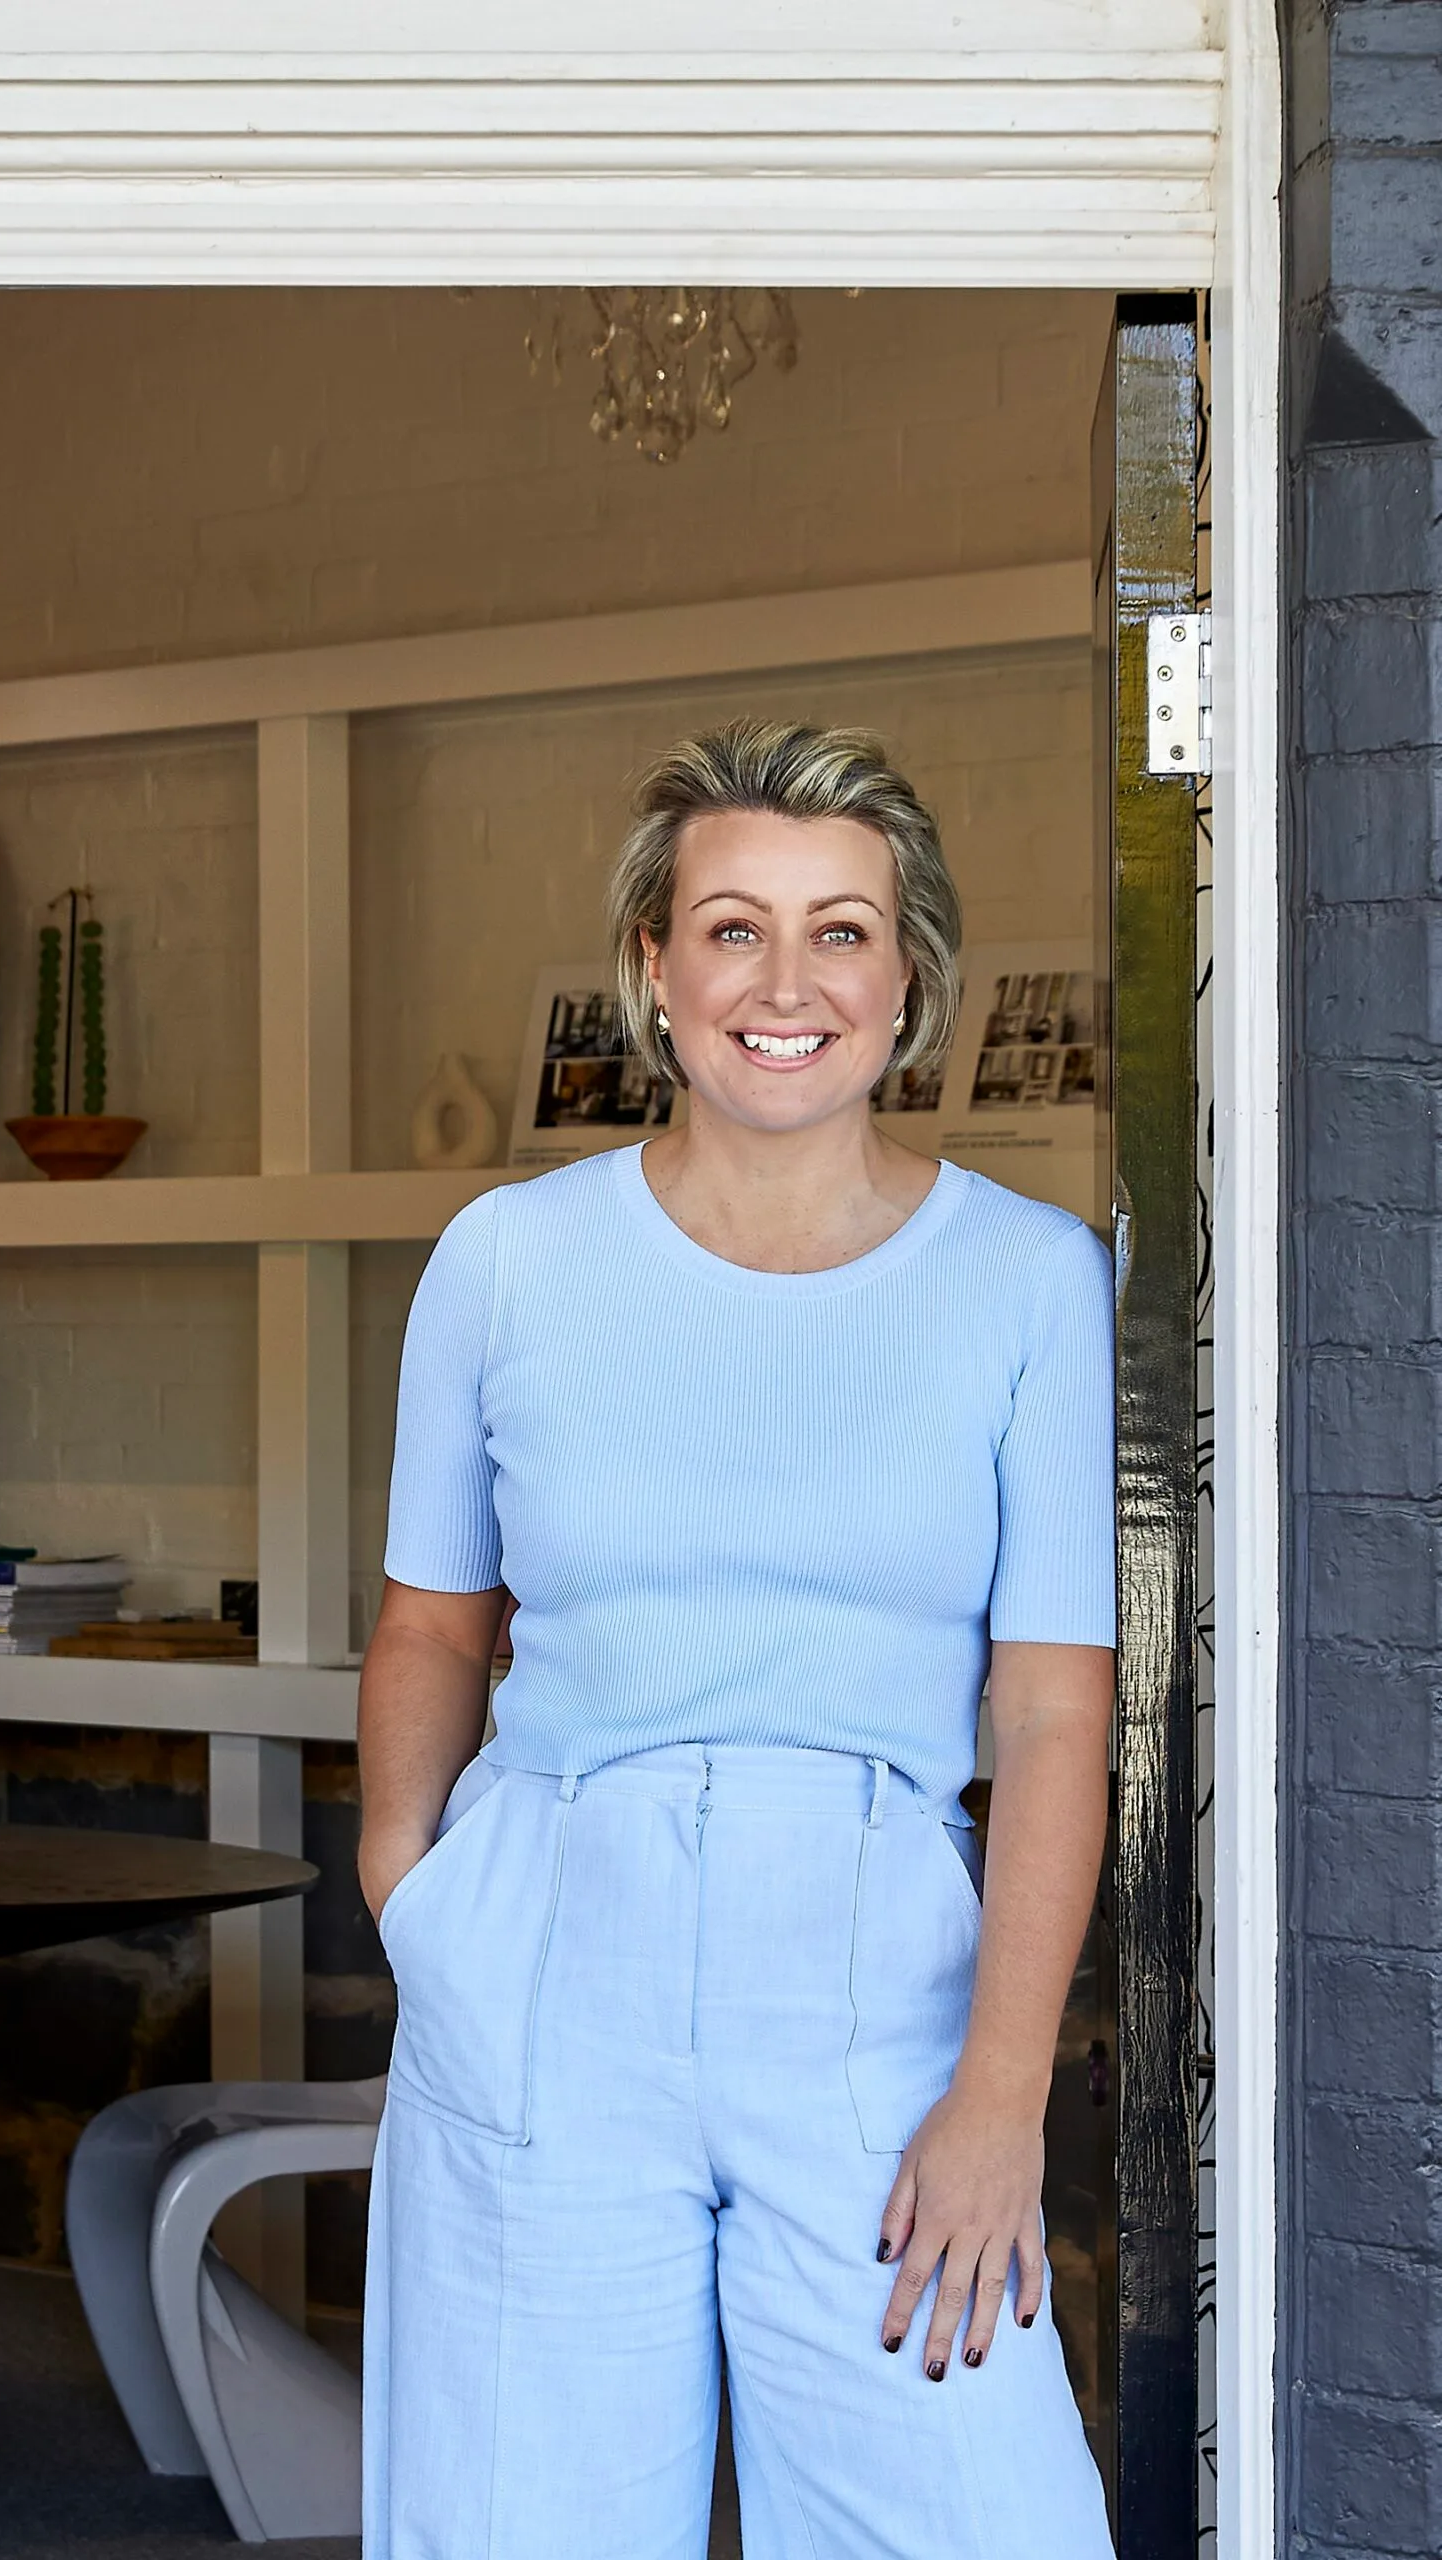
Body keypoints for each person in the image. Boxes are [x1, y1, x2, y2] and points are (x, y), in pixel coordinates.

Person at [357, 719, 1117, 2560]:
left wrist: (1002, 2094)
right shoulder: (506, 1262)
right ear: (656, 969)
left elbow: (1050, 1716)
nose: (787, 983)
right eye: (731, 928)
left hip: (877, 2002)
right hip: (546, 1951)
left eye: (840, 931)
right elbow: (433, 1624)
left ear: (909, 975)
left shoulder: (1030, 1282)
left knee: (973, 2522)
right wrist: (413, 1893)